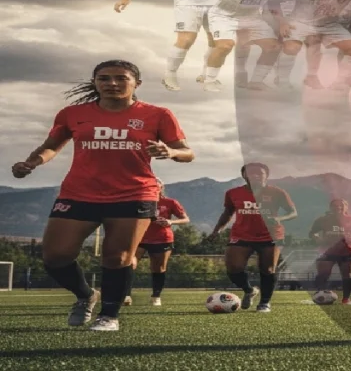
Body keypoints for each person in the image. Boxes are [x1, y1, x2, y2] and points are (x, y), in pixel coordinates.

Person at [11, 60, 193, 331]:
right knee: (55, 256)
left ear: (136, 84)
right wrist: (31, 163)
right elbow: (51, 146)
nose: (112, 84)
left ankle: (109, 316)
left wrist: (171, 151)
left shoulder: (158, 114)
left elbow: (187, 153)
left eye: (121, 78)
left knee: (117, 257)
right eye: (104, 78)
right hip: (79, 193)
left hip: (134, 193)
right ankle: (86, 295)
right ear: (95, 82)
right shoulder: (72, 114)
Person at [183, 0, 289, 91]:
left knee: (274, 47)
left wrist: (283, 22)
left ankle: (256, 81)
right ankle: (209, 81)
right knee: (225, 46)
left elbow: (277, 0)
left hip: (252, 18)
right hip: (224, 16)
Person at [207, 163, 298, 313]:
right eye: (251, 173)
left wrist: (280, 218)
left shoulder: (277, 192)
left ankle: (264, 303)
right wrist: (216, 230)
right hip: (241, 235)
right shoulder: (233, 193)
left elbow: (293, 212)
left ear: (266, 175)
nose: (255, 175)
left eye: (259, 173)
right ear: (244, 176)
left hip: (271, 235)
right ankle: (249, 290)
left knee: (268, 269)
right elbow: (228, 213)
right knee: (233, 268)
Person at [124, 178, 190, 307]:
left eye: (156, 186)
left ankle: (156, 296)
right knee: (129, 263)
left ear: (161, 188)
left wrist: (171, 222)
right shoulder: (138, 201)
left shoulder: (170, 202)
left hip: (162, 238)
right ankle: (126, 295)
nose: (153, 188)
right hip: (139, 237)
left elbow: (186, 219)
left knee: (158, 268)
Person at [309, 199, 351, 304]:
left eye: (341, 205)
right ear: (330, 207)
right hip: (327, 250)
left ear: (346, 207)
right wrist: (317, 238)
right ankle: (321, 295)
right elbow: (312, 233)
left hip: (347, 250)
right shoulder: (322, 220)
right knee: (323, 274)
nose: (338, 207)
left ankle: (346, 299)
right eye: (335, 205)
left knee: (348, 275)